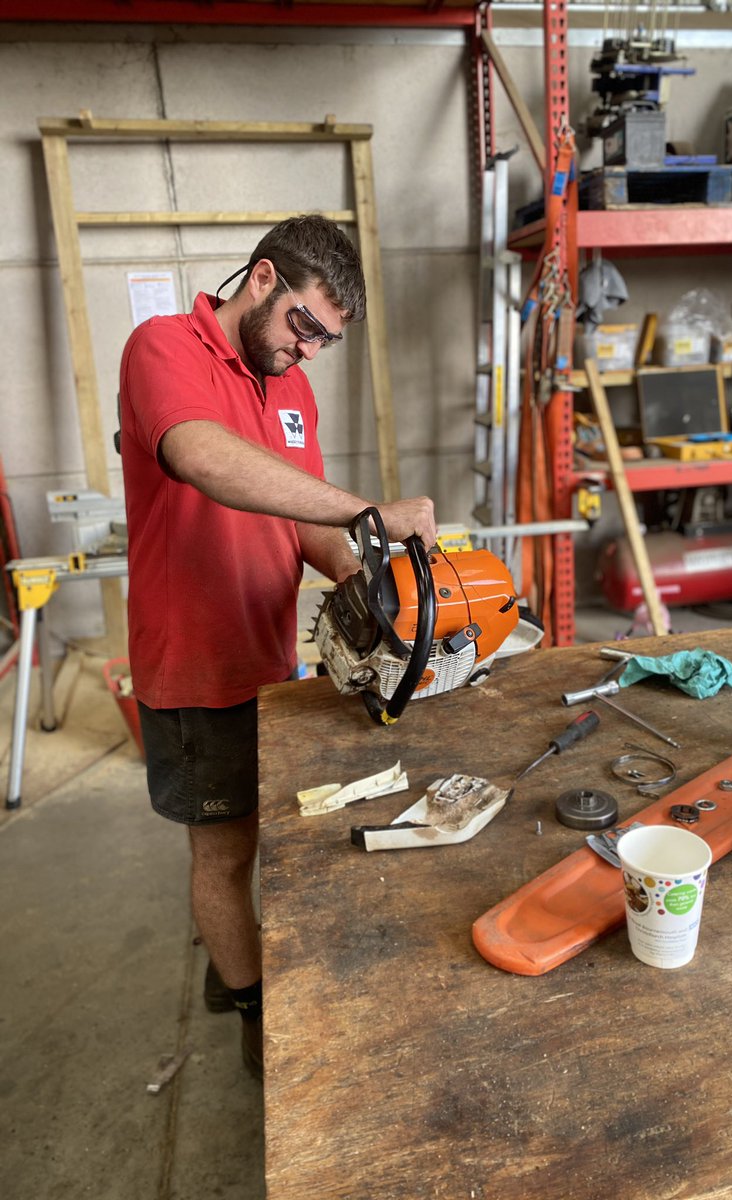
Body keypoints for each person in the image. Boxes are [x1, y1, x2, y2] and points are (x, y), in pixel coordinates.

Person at [119, 216, 436, 1079]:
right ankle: (251, 1004)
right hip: (195, 665)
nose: (309, 351)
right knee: (224, 856)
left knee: (277, 843)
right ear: (261, 280)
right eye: (305, 326)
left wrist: (369, 582)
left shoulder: (288, 386)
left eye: (326, 342)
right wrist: (367, 513)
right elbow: (203, 458)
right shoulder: (163, 349)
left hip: (273, 662)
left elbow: (304, 523)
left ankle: (245, 966)